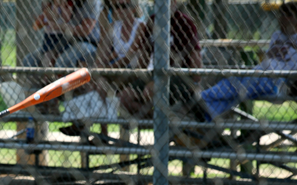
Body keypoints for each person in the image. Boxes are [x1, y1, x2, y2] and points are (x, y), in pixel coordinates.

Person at [199, 2, 297, 121]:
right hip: (259, 73)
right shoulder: (277, 35)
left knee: (233, 86)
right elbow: (269, 58)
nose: (283, 18)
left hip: (279, 81)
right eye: (281, 15)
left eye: (289, 15)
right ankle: (204, 118)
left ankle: (201, 100)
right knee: (232, 85)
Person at [59, 0, 147, 136]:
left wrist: (106, 68)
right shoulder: (114, 26)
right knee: (97, 82)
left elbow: (129, 57)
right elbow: (102, 51)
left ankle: (84, 124)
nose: (118, 10)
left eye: (123, 6)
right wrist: (98, 67)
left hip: (132, 71)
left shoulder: (140, 26)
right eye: (116, 7)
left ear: (134, 8)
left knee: (101, 80)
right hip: (113, 70)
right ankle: (101, 132)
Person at [116, 0, 202, 121]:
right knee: (123, 98)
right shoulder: (152, 21)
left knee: (151, 90)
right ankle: (165, 122)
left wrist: (195, 82)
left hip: (180, 75)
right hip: (156, 73)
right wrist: (138, 76)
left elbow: (195, 57)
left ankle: (165, 125)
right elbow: (144, 57)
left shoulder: (184, 22)